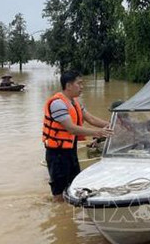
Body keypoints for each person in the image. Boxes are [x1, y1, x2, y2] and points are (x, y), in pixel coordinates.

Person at [42, 70, 113, 202]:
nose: (82, 87)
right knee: (59, 193)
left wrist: (112, 125)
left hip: (70, 150)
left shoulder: (75, 102)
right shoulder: (58, 103)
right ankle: (58, 215)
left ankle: (69, 215)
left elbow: (91, 119)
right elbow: (71, 129)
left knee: (74, 186)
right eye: (79, 83)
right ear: (68, 86)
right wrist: (98, 133)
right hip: (57, 154)